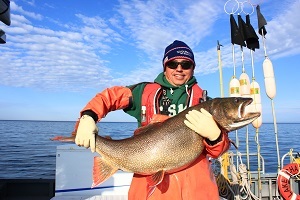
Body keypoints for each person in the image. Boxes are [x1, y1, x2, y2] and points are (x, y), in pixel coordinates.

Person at [73, 40, 230, 199]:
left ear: (193, 68)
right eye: (173, 64)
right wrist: (88, 116)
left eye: (186, 64)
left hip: (195, 189)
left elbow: (218, 151)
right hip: (150, 189)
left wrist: (215, 136)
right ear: (165, 67)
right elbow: (109, 97)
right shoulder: (144, 92)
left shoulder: (206, 103)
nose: (179, 69)